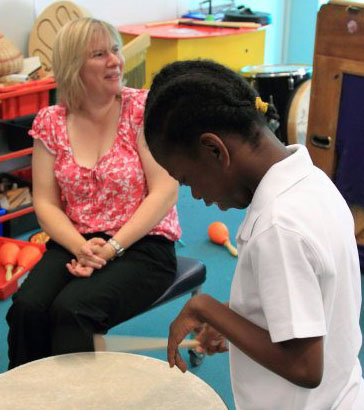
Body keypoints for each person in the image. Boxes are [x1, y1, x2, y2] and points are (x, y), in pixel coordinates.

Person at [143, 59, 364, 410]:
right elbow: (312, 304)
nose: (196, 196)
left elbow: (304, 366)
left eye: (187, 180)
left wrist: (207, 307)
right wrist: (234, 323)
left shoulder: (278, 227)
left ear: (215, 150)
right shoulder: (312, 181)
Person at [6, 17, 181, 369]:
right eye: (99, 54)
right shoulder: (51, 122)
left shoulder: (141, 109)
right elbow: (45, 203)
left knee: (73, 312)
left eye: (115, 50)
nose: (115, 60)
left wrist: (113, 247)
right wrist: (80, 246)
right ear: (74, 67)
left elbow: (165, 191)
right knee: (27, 308)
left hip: (143, 244)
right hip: (77, 240)